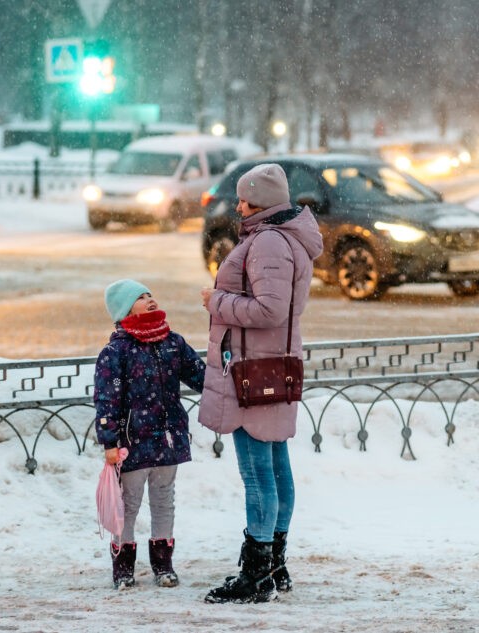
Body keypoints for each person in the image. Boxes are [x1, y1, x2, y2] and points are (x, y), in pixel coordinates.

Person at [198, 163, 323, 604]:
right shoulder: (282, 235)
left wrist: (218, 302)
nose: (238, 205)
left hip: (254, 370)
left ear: (262, 202)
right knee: (275, 467)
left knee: (258, 474)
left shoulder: (268, 241)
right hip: (272, 364)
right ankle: (274, 564)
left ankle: (256, 575)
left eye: (245, 198)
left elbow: (271, 309)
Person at [93, 279, 205, 589]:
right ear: (125, 309)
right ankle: (123, 568)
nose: (150, 300)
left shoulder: (172, 342)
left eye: (150, 295)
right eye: (140, 298)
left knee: (164, 500)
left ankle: (163, 565)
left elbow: (201, 377)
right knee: (128, 505)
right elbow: (106, 400)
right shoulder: (116, 351)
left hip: (168, 437)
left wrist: (228, 372)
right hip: (133, 442)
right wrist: (109, 441)